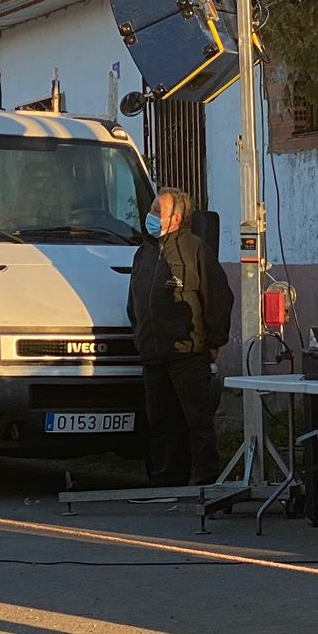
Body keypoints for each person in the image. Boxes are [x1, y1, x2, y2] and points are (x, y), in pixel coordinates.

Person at [128, 187, 220, 486]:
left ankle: (205, 480)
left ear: (176, 218)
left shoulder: (194, 250)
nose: (150, 216)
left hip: (186, 353)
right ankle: (165, 481)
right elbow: (135, 301)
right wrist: (140, 335)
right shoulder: (144, 252)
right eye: (152, 209)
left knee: (197, 421)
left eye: (157, 211)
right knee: (160, 422)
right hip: (153, 354)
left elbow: (216, 297)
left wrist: (215, 340)